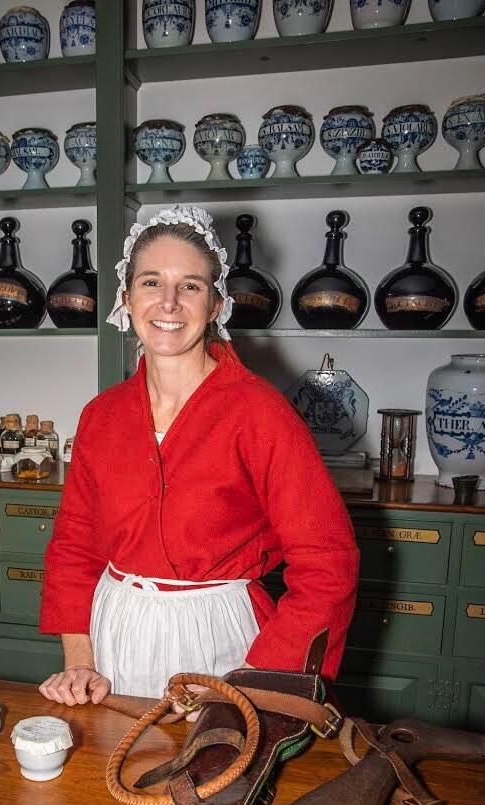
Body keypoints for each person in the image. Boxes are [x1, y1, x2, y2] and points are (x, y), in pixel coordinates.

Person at [39, 206, 359, 706]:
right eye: (151, 282)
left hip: (223, 646)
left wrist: (263, 675)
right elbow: (75, 544)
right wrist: (79, 660)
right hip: (114, 631)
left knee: (214, 778)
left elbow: (328, 563)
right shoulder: (101, 415)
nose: (168, 302)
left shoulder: (260, 413)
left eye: (190, 285)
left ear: (215, 305)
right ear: (127, 299)